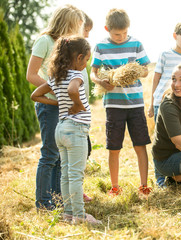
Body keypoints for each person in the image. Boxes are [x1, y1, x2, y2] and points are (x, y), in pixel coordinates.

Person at [31, 36, 102, 225]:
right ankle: (79, 215)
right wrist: (78, 104)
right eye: (86, 59)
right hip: (76, 129)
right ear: (79, 58)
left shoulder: (55, 77)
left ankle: (68, 213)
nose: (86, 63)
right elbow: (72, 90)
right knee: (76, 175)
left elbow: (35, 95)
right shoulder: (76, 75)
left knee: (66, 174)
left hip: (60, 129)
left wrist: (56, 102)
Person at [26, 4, 84, 211]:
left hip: (63, 106)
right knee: (50, 153)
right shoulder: (44, 41)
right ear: (66, 22)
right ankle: (43, 202)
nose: (78, 30)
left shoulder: (68, 45)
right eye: (76, 25)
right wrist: (53, 91)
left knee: (60, 155)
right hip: (49, 105)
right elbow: (31, 74)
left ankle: (58, 199)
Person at [90, 8, 152, 196]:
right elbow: (93, 73)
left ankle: (143, 185)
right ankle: (115, 186)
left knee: (140, 144)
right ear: (107, 28)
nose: (121, 36)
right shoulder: (101, 47)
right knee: (114, 146)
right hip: (113, 105)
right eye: (117, 34)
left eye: (124, 32)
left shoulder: (136, 44)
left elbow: (145, 70)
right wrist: (101, 81)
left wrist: (134, 71)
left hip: (135, 103)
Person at [147, 20, 181, 188]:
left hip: (180, 104)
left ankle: (178, 178)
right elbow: (156, 77)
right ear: (175, 36)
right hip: (162, 102)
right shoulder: (165, 55)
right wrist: (152, 102)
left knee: (180, 141)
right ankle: (160, 179)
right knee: (162, 142)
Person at [81, 11, 93, 203]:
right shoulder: (74, 57)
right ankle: (73, 192)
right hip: (76, 118)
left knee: (86, 149)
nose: (88, 35)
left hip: (81, 119)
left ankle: (76, 188)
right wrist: (78, 105)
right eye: (86, 30)